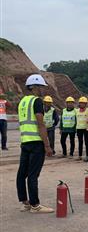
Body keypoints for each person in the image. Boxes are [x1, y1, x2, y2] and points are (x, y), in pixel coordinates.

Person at [16, 74, 54, 213]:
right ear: (35, 87)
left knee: (22, 173)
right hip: (36, 143)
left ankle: (25, 202)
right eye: (41, 87)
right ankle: (35, 205)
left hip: (25, 142)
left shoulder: (22, 102)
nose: (43, 90)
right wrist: (47, 145)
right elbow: (41, 124)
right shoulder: (37, 101)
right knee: (33, 175)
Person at [75, 96, 88, 161]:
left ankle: (87, 155)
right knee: (80, 142)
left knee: (87, 142)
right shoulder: (76, 111)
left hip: (86, 129)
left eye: (83, 103)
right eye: (80, 103)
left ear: (86, 104)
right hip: (79, 128)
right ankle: (80, 155)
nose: (81, 104)